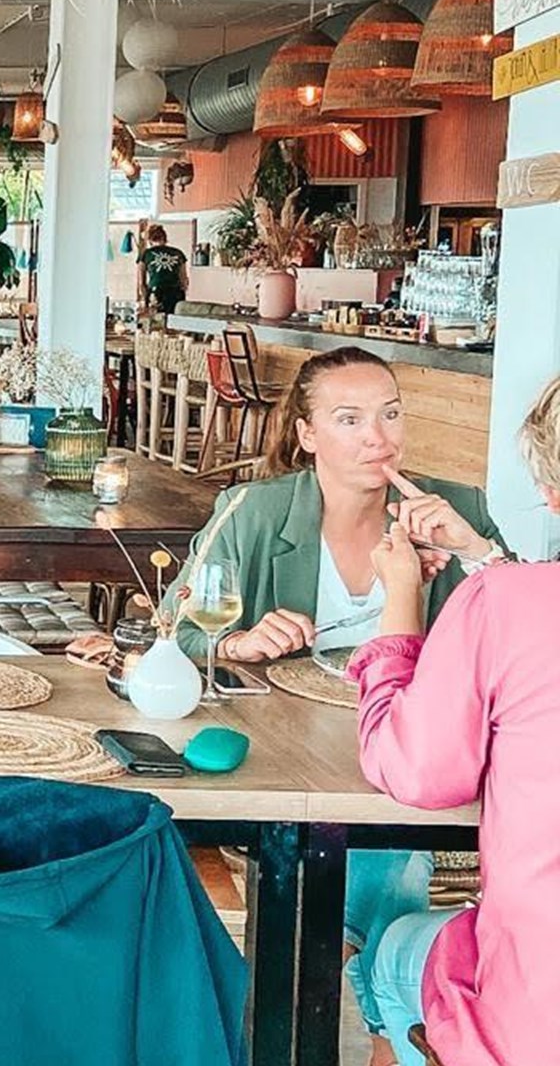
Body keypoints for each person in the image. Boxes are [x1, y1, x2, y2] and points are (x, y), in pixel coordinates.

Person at [169, 346, 507, 1066]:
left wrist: (474, 550)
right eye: (349, 420)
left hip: (403, 756)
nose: (377, 438)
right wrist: (237, 642)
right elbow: (175, 629)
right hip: (284, 759)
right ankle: (385, 1030)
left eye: (390, 415)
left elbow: (524, 632)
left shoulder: (456, 510)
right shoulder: (256, 513)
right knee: (391, 863)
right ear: (307, 434)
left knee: (392, 836)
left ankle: (334, 1000)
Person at [347, 375, 560, 1066]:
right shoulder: (507, 595)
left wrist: (402, 600)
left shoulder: (506, 603)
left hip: (538, 1012)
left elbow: (416, 771)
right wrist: (486, 558)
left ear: (552, 493)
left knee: (394, 951)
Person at [137, 225, 189, 316]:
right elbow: (184, 280)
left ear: (150, 240)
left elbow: (141, 282)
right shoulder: (178, 253)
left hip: (156, 292)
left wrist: (144, 300)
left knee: (156, 321)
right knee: (174, 320)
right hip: (175, 292)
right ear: (165, 238)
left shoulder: (146, 254)